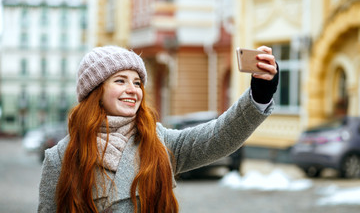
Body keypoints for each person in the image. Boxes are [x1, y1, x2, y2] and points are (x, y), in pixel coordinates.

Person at [38, 45, 278, 213]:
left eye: (137, 82)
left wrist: (260, 94)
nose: (133, 89)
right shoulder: (60, 156)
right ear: (95, 91)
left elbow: (218, 137)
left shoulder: (157, 141)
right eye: (120, 80)